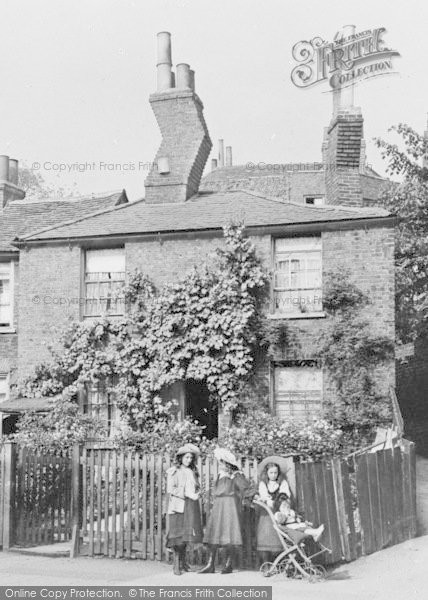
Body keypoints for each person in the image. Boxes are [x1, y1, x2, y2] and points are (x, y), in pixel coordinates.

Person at [198, 447, 253, 575]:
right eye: (220, 462)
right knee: (214, 533)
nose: (220, 464)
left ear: (228, 464)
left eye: (222, 462)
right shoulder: (220, 474)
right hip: (219, 505)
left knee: (229, 535)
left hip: (230, 506)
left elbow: (246, 489)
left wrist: (236, 477)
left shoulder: (236, 475)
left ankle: (229, 564)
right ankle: (210, 564)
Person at [166, 443, 203, 575]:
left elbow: (194, 487)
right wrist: (187, 494)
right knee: (177, 535)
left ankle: (183, 563)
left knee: (187, 534)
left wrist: (197, 492)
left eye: (191, 458)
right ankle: (176, 564)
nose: (188, 460)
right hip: (178, 506)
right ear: (180, 458)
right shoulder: (174, 471)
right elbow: (171, 489)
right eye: (186, 457)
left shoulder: (192, 472)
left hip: (190, 505)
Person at [255, 458, 292, 565]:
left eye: (275, 472)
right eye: (271, 472)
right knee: (266, 535)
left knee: (279, 535)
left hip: (279, 511)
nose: (273, 475)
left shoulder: (282, 482)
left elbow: (285, 494)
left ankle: (280, 561)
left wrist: (282, 500)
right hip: (267, 513)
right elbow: (264, 496)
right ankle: (266, 562)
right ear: (266, 473)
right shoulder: (263, 484)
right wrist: (269, 501)